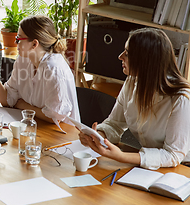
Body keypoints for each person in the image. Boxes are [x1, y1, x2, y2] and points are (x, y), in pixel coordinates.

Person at [79, 28, 190, 170]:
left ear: (145, 60)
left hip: (181, 169)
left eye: (128, 53)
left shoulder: (181, 99)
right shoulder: (132, 82)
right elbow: (114, 124)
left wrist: (121, 156)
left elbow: (173, 155)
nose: (120, 56)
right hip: (148, 167)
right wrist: (98, 136)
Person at [0, 15, 80, 126]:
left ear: (34, 44)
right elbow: (7, 100)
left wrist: (22, 105)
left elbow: (53, 117)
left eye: (18, 39)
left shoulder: (54, 68)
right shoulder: (23, 60)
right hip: (34, 125)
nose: (15, 43)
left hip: (62, 134)